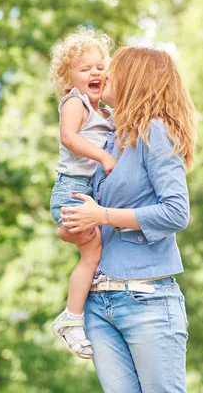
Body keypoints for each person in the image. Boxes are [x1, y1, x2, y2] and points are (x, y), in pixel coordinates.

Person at [58, 46, 197, 392]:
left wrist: (102, 214)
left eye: (112, 69)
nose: (104, 75)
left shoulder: (157, 132)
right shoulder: (109, 140)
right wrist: (74, 226)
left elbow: (177, 212)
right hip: (99, 304)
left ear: (133, 79)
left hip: (146, 300)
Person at [47, 26, 116, 359]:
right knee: (92, 254)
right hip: (72, 190)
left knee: (95, 254)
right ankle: (71, 320)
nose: (94, 73)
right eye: (85, 69)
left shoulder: (105, 113)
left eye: (99, 67)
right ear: (68, 78)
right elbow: (69, 138)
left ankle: (78, 314)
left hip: (89, 194)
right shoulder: (75, 103)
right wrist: (103, 155)